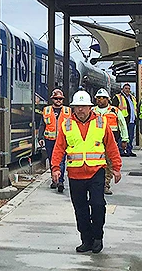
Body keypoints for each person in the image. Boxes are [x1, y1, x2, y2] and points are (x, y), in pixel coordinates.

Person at [51, 90, 122, 254]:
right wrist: (55, 168)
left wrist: (117, 167)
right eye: (78, 107)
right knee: (80, 208)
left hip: (96, 171)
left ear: (90, 107)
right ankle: (86, 239)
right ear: (73, 108)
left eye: (84, 107)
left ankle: (98, 236)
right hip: (75, 174)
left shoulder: (101, 123)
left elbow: (111, 147)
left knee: (98, 205)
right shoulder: (66, 125)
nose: (81, 110)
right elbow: (59, 148)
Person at [93, 88, 128, 195]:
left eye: (103, 98)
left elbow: (122, 125)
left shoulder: (115, 111)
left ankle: (105, 185)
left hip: (110, 143)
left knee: (109, 165)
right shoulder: (93, 111)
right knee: (96, 165)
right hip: (96, 143)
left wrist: (124, 139)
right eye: (98, 98)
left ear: (108, 99)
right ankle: (96, 185)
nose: (100, 100)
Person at [37, 89, 71, 193]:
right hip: (49, 140)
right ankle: (54, 180)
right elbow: (42, 125)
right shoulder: (46, 110)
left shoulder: (68, 111)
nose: (58, 100)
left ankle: (60, 181)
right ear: (53, 99)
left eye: (60, 99)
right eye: (56, 98)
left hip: (62, 140)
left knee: (61, 161)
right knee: (53, 160)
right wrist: (40, 138)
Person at [112, 84, 138, 157]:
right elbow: (114, 108)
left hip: (131, 120)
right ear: (122, 89)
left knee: (131, 136)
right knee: (122, 136)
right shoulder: (118, 97)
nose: (127, 90)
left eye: (129, 88)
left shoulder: (132, 98)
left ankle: (129, 150)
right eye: (126, 88)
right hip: (122, 120)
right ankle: (121, 150)